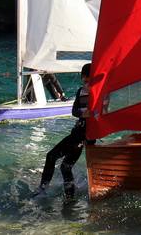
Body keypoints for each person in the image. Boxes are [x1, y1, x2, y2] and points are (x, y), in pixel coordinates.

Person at [36, 63, 93, 199]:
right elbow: (74, 111)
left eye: (88, 80)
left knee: (51, 156)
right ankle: (70, 196)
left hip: (82, 136)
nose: (86, 83)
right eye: (84, 80)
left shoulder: (97, 93)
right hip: (77, 133)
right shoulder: (80, 91)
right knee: (65, 167)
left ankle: (42, 189)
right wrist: (83, 113)